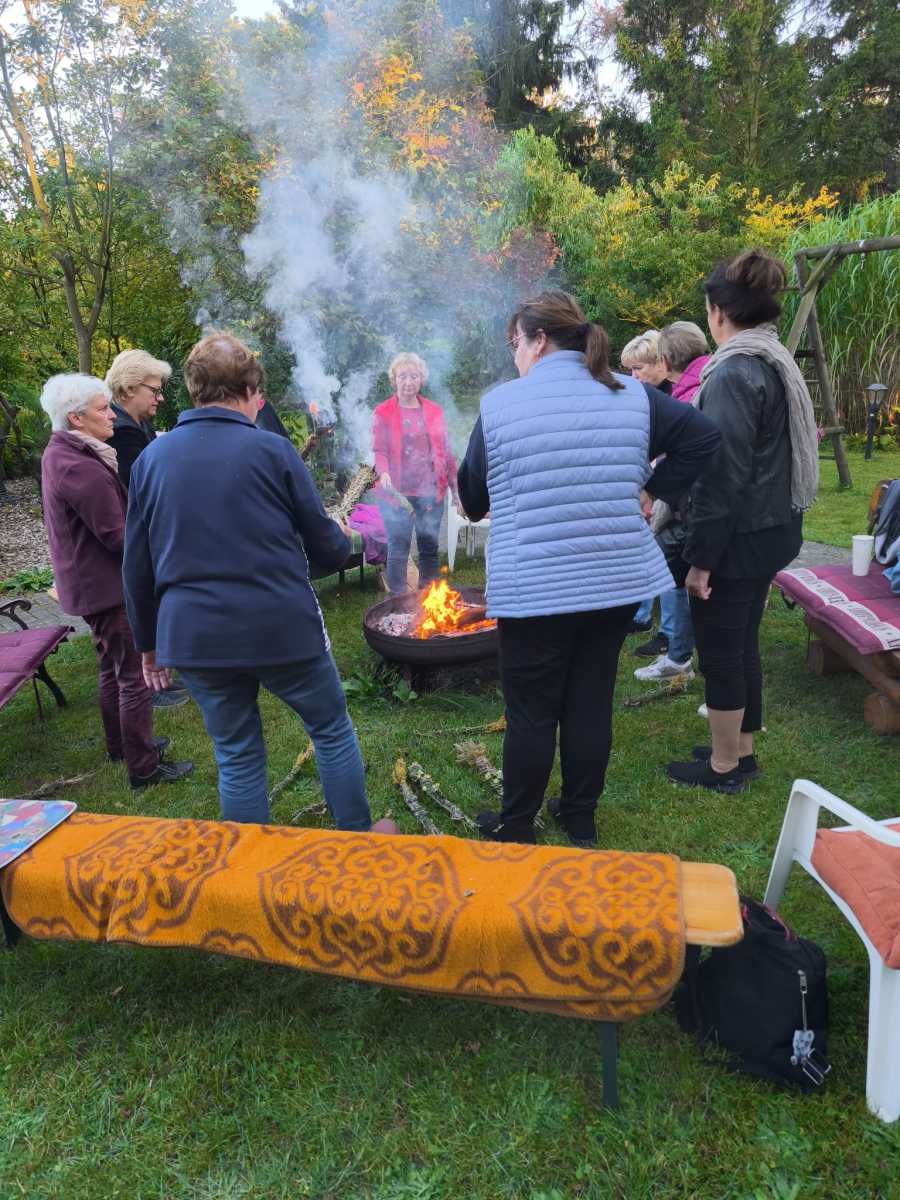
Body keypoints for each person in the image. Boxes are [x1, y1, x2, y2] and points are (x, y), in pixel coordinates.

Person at [457, 290, 721, 846]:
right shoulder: (633, 395)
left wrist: (651, 488)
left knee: (531, 712)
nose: (514, 355)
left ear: (538, 340)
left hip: (533, 587)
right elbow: (703, 437)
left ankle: (518, 826)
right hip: (613, 583)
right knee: (589, 701)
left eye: (514, 343)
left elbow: (473, 501)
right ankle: (579, 816)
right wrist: (653, 488)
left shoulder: (501, 404)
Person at [123, 332, 397, 833]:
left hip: (195, 636)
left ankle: (248, 868)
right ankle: (358, 845)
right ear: (249, 390)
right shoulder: (272, 450)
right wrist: (339, 535)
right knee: (331, 730)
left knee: (237, 753)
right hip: (279, 626)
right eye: (258, 395)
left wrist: (147, 644)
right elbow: (328, 550)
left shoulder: (150, 461)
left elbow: (136, 566)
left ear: (194, 389)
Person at [667, 251, 819, 793]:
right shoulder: (773, 358)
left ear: (718, 312)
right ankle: (741, 749)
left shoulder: (733, 371)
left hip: (738, 537)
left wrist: (701, 559)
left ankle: (724, 765)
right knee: (742, 643)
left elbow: (721, 473)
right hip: (769, 529)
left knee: (721, 652)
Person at [38, 373, 193, 790]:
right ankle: (143, 767)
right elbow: (117, 535)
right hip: (104, 587)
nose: (111, 415)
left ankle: (120, 746)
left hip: (91, 584)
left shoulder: (64, 452)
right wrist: (162, 544)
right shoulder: (76, 465)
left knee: (111, 666)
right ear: (76, 418)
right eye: (103, 408)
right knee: (133, 675)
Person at [105, 349, 190, 711]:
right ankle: (149, 684)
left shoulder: (136, 426)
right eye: (154, 390)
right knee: (139, 608)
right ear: (128, 389)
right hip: (132, 537)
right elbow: (144, 490)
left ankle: (159, 674)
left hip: (140, 535)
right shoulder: (122, 434)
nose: (160, 397)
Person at [634, 321, 710, 681]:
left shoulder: (692, 394)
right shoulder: (705, 381)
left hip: (697, 508)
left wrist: (651, 490)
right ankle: (678, 651)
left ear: (663, 361)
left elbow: (692, 454)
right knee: (676, 575)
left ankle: (684, 657)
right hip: (691, 506)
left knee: (669, 570)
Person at [372, 353, 459, 594]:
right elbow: (379, 450)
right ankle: (398, 603)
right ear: (394, 379)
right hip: (396, 494)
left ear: (421, 379)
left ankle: (428, 602)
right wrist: (383, 473)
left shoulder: (434, 411)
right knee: (398, 550)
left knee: (429, 549)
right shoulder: (383, 412)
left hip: (430, 493)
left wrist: (456, 489)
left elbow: (446, 452)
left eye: (414, 376)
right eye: (403, 376)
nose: (408, 381)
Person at [619, 330, 673, 634]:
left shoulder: (671, 397)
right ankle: (640, 612)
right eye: (629, 370)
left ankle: (646, 617)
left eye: (638, 368)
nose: (633, 376)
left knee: (650, 542)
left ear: (659, 363)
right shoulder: (643, 395)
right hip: (645, 476)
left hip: (661, 482)